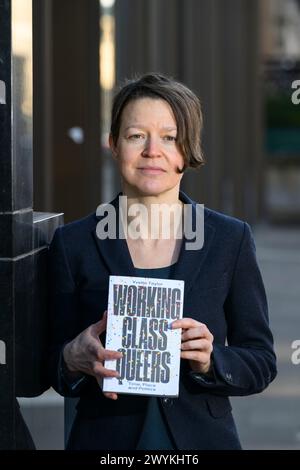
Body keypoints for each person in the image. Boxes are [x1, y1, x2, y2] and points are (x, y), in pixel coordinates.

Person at [47, 73, 277, 450]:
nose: (152, 151)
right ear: (113, 144)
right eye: (137, 135)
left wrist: (211, 360)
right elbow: (47, 364)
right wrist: (72, 357)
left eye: (169, 138)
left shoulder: (229, 240)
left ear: (187, 150)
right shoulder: (73, 243)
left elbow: (261, 362)